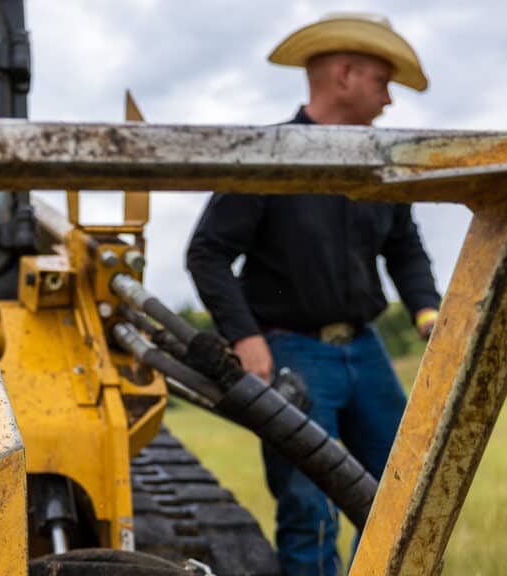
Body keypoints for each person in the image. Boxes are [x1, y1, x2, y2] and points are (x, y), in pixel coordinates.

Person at [186, 13, 441, 576]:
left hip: (366, 351)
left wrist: (428, 310)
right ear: (344, 74)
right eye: (383, 82)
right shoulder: (270, 156)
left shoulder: (381, 164)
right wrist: (245, 338)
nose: (390, 101)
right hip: (292, 353)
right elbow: (206, 253)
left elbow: (404, 248)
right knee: (310, 509)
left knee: (405, 491)